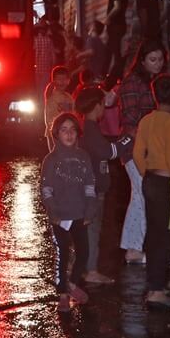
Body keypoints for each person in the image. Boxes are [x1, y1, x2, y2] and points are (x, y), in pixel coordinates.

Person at [134, 74, 170, 308]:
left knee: (153, 234)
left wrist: (146, 173)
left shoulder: (146, 121)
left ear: (153, 95)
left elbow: (138, 154)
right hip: (167, 184)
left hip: (150, 180)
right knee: (165, 237)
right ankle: (157, 289)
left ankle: (153, 285)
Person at [41, 112, 97, 312]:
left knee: (83, 253)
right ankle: (63, 294)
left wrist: (90, 208)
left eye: (73, 129)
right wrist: (53, 211)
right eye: (64, 130)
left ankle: (72, 284)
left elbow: (90, 184)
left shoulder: (83, 157)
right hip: (60, 217)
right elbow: (46, 189)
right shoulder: (51, 160)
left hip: (80, 214)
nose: (69, 133)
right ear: (56, 133)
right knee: (62, 254)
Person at [76, 87, 132, 285]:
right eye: (102, 104)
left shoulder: (87, 128)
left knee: (87, 229)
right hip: (93, 191)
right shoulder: (90, 129)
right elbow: (110, 152)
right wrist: (129, 137)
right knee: (92, 229)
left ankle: (82, 268)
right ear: (97, 106)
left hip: (89, 189)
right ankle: (91, 270)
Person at [118, 41, 166, 264]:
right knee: (141, 194)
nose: (158, 64)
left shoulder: (158, 81)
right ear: (143, 61)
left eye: (160, 59)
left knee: (142, 195)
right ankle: (133, 248)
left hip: (152, 146)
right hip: (135, 147)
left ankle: (137, 246)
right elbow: (130, 118)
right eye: (153, 60)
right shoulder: (132, 83)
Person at [104, 0, 130, 78]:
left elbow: (117, 6)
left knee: (115, 52)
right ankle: (110, 74)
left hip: (115, 26)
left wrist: (108, 18)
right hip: (119, 25)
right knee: (112, 50)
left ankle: (117, 76)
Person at [44, 66, 73, 151]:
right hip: (54, 132)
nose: (62, 82)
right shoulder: (51, 95)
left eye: (64, 79)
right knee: (56, 156)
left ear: (68, 81)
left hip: (68, 132)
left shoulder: (69, 97)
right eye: (59, 79)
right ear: (54, 81)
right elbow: (48, 91)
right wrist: (52, 84)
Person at [33, 17, 58, 100]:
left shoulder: (33, 40)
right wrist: (53, 67)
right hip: (46, 69)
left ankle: (37, 104)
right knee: (44, 89)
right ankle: (43, 104)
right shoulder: (49, 41)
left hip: (35, 69)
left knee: (36, 89)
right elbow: (53, 56)